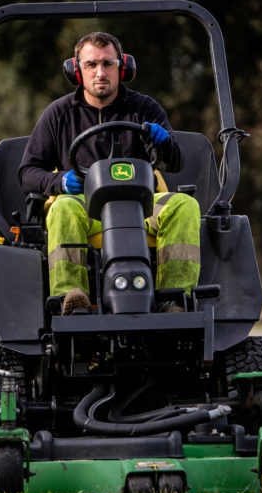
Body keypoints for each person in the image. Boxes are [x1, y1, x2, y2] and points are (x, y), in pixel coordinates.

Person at [18, 32, 201, 315]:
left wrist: (165, 143)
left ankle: (173, 299)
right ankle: (71, 296)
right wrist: (60, 181)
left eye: (108, 64)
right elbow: (28, 173)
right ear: (76, 70)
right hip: (85, 207)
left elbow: (175, 163)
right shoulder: (59, 114)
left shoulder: (144, 108)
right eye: (91, 65)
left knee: (184, 206)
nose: (100, 73)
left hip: (142, 207)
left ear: (123, 67)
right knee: (63, 208)